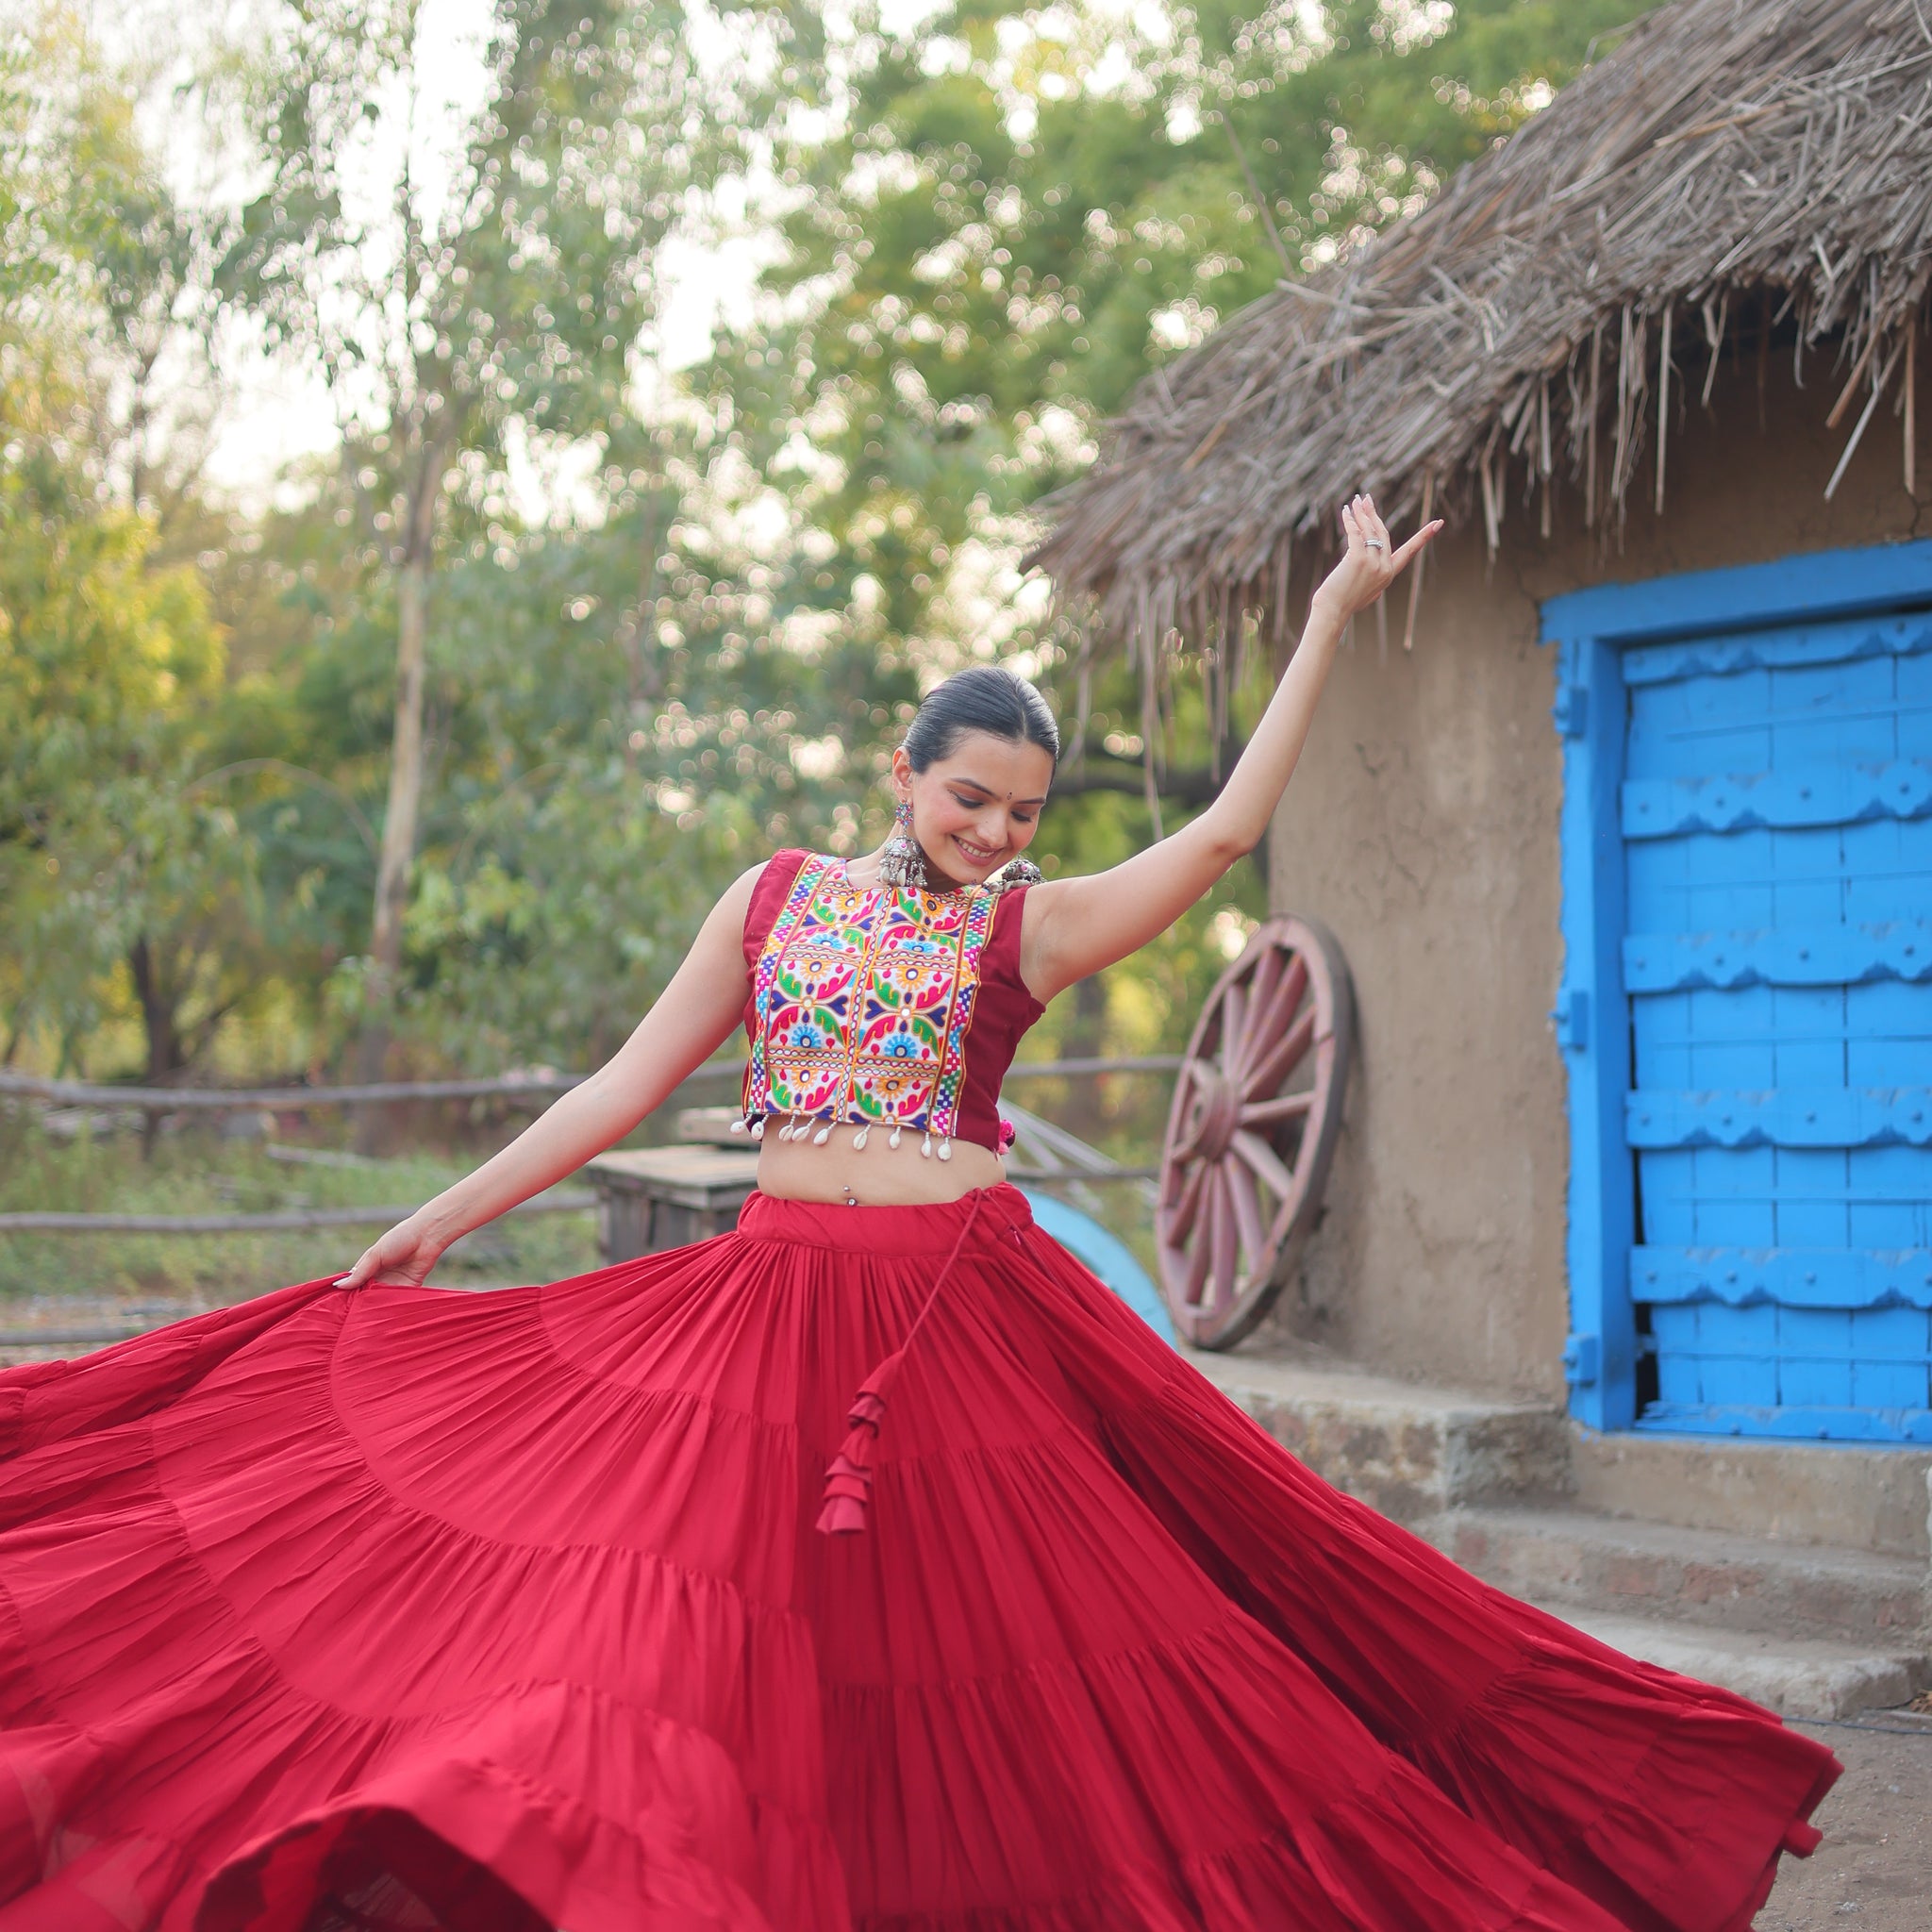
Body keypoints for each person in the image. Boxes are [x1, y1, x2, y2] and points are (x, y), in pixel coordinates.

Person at [0, 495, 1836, 1932]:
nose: (995, 831)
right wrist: (439, 1217)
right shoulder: (775, 894)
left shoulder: (1015, 928)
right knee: (671, 1649)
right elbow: (617, 1089)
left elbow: (1208, 848)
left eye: (1025, 811)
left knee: (1023, 1667)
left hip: (955, 1329)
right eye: (970, 798)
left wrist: (1333, 619)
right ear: (904, 768)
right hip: (761, 1315)